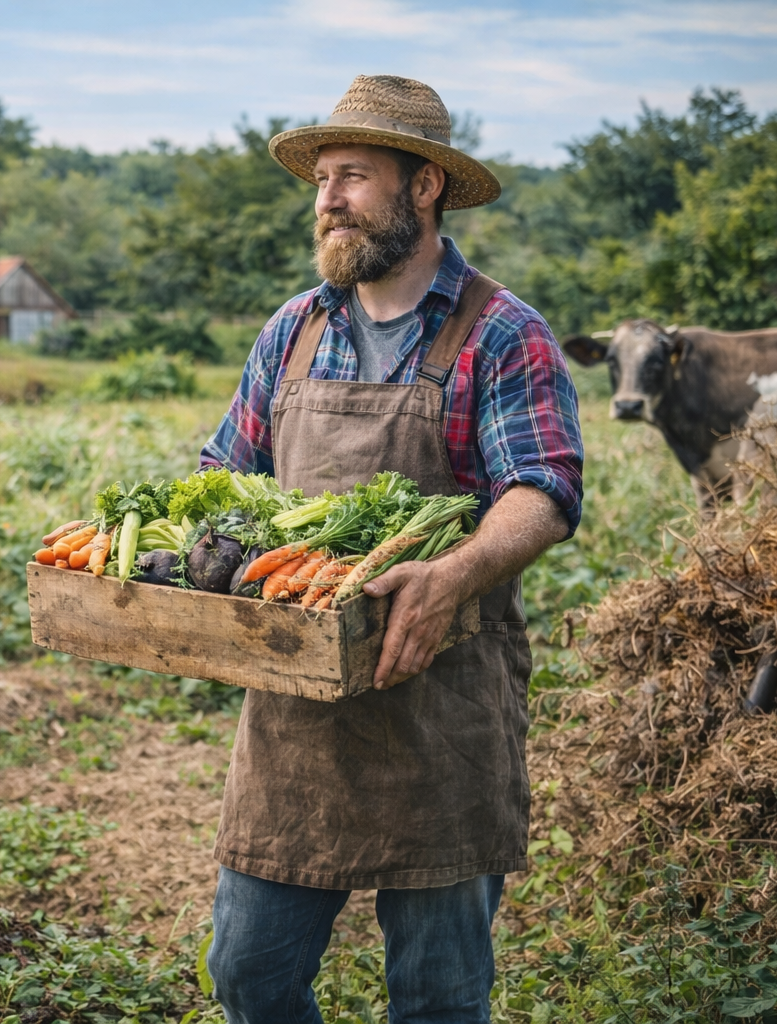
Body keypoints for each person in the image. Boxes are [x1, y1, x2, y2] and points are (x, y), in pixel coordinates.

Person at [200, 75, 584, 1023]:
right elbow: (228, 475)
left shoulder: (501, 332)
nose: (328, 199)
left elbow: (543, 489)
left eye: (355, 176)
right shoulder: (293, 331)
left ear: (425, 188)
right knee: (249, 974)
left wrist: (455, 573)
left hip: (440, 712)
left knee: (438, 997)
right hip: (296, 716)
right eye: (322, 178)